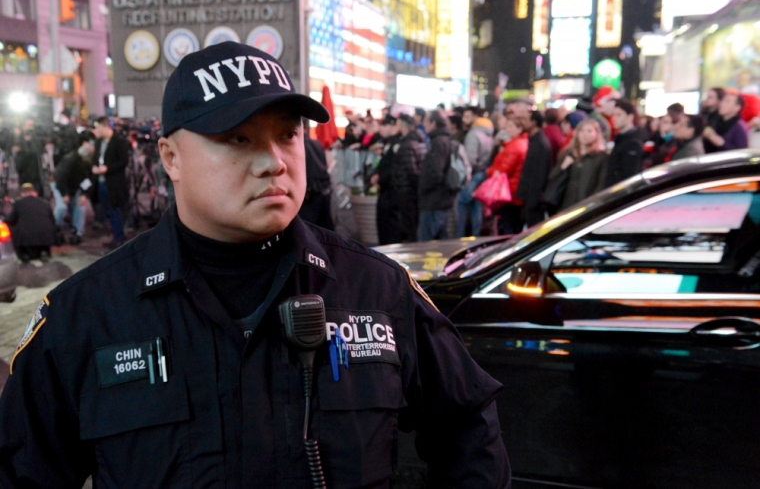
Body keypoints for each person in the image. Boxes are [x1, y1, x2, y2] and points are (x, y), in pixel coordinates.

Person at [0, 42, 510, 488]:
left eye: (288, 135)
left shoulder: (377, 290)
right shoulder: (85, 313)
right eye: (238, 139)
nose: (275, 161)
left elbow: (468, 428)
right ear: (171, 158)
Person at [91, 116, 131, 248]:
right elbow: (95, 159)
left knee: (115, 210)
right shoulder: (98, 143)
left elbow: (123, 162)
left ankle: (118, 238)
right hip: (101, 182)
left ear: (105, 127)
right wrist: (95, 167)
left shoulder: (119, 142)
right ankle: (116, 235)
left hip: (114, 183)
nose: (96, 130)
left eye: (98, 127)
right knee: (107, 210)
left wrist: (107, 168)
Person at [418, 110, 457, 241]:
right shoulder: (445, 140)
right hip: (441, 199)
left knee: (426, 244)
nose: (424, 124)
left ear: (433, 123)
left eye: (426, 121)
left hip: (434, 201)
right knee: (441, 242)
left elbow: (435, 172)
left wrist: (423, 187)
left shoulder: (438, 142)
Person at [52, 131, 96, 244]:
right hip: (60, 185)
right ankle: (52, 230)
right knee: (61, 207)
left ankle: (77, 233)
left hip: (75, 187)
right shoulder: (71, 158)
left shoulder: (90, 160)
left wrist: (85, 194)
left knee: (80, 207)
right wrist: (64, 194)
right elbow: (60, 178)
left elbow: (90, 179)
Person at [456, 106, 494, 237]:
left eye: (467, 117)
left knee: (462, 202)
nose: (464, 120)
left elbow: (470, 159)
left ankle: (460, 237)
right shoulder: (488, 131)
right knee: (477, 207)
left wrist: (465, 175)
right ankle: (476, 237)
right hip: (483, 173)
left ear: (475, 117)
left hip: (473, 174)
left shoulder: (473, 134)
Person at [487, 118, 528, 234]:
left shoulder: (515, 146)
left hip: (509, 192)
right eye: (507, 126)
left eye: (511, 126)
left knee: (508, 227)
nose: (507, 129)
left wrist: (489, 171)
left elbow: (503, 170)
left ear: (519, 129)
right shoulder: (520, 143)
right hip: (514, 190)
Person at [557, 119, 609, 209]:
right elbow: (553, 178)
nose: (585, 134)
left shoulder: (601, 157)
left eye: (589, 131)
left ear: (596, 134)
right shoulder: (569, 153)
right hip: (566, 205)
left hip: (588, 206)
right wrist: (563, 167)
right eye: (582, 130)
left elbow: (602, 183)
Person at [392, 114, 426, 242]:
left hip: (406, 190)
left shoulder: (407, 144)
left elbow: (411, 170)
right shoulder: (420, 141)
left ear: (403, 126)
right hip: (412, 190)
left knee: (410, 224)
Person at [516, 110, 552, 228]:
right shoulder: (534, 141)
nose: (522, 123)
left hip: (534, 201)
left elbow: (538, 175)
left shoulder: (540, 143)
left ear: (534, 122)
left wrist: (532, 202)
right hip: (530, 199)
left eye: (525, 120)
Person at [5, 183, 56, 263]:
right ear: (35, 193)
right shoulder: (45, 203)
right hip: (46, 240)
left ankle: (25, 256)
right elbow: (53, 222)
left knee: (12, 229)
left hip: (27, 242)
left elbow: (11, 220)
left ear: (22, 194)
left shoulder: (18, 204)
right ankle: (44, 252)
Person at [372, 114, 401, 245]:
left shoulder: (397, 144)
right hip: (385, 191)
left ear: (393, 126)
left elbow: (393, 169)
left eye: (384, 125)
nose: (381, 129)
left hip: (392, 194)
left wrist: (381, 180)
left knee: (390, 231)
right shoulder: (386, 143)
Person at [298, 132, 334, 231]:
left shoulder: (299, 145)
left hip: (310, 190)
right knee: (325, 225)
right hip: (323, 187)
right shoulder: (316, 143)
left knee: (309, 227)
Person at [605, 100, 644, 187]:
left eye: (619, 115)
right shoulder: (620, 138)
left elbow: (629, 176)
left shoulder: (633, 142)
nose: (614, 118)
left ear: (630, 117)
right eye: (613, 115)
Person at [700, 87, 725, 153]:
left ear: (719, 100)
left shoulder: (721, 118)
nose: (706, 99)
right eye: (707, 97)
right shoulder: (703, 114)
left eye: (710, 97)